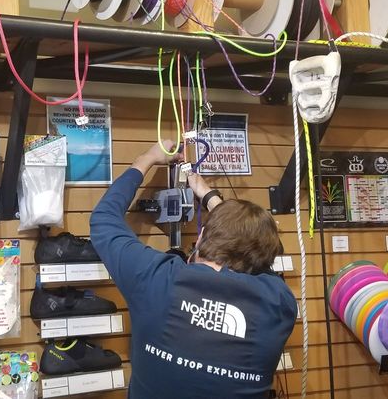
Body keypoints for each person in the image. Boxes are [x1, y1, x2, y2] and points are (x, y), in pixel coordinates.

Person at [90, 141, 297, 399]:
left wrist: (147, 158)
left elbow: (104, 219)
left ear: (200, 237)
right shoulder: (280, 304)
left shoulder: (158, 280)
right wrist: (213, 201)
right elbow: (260, 255)